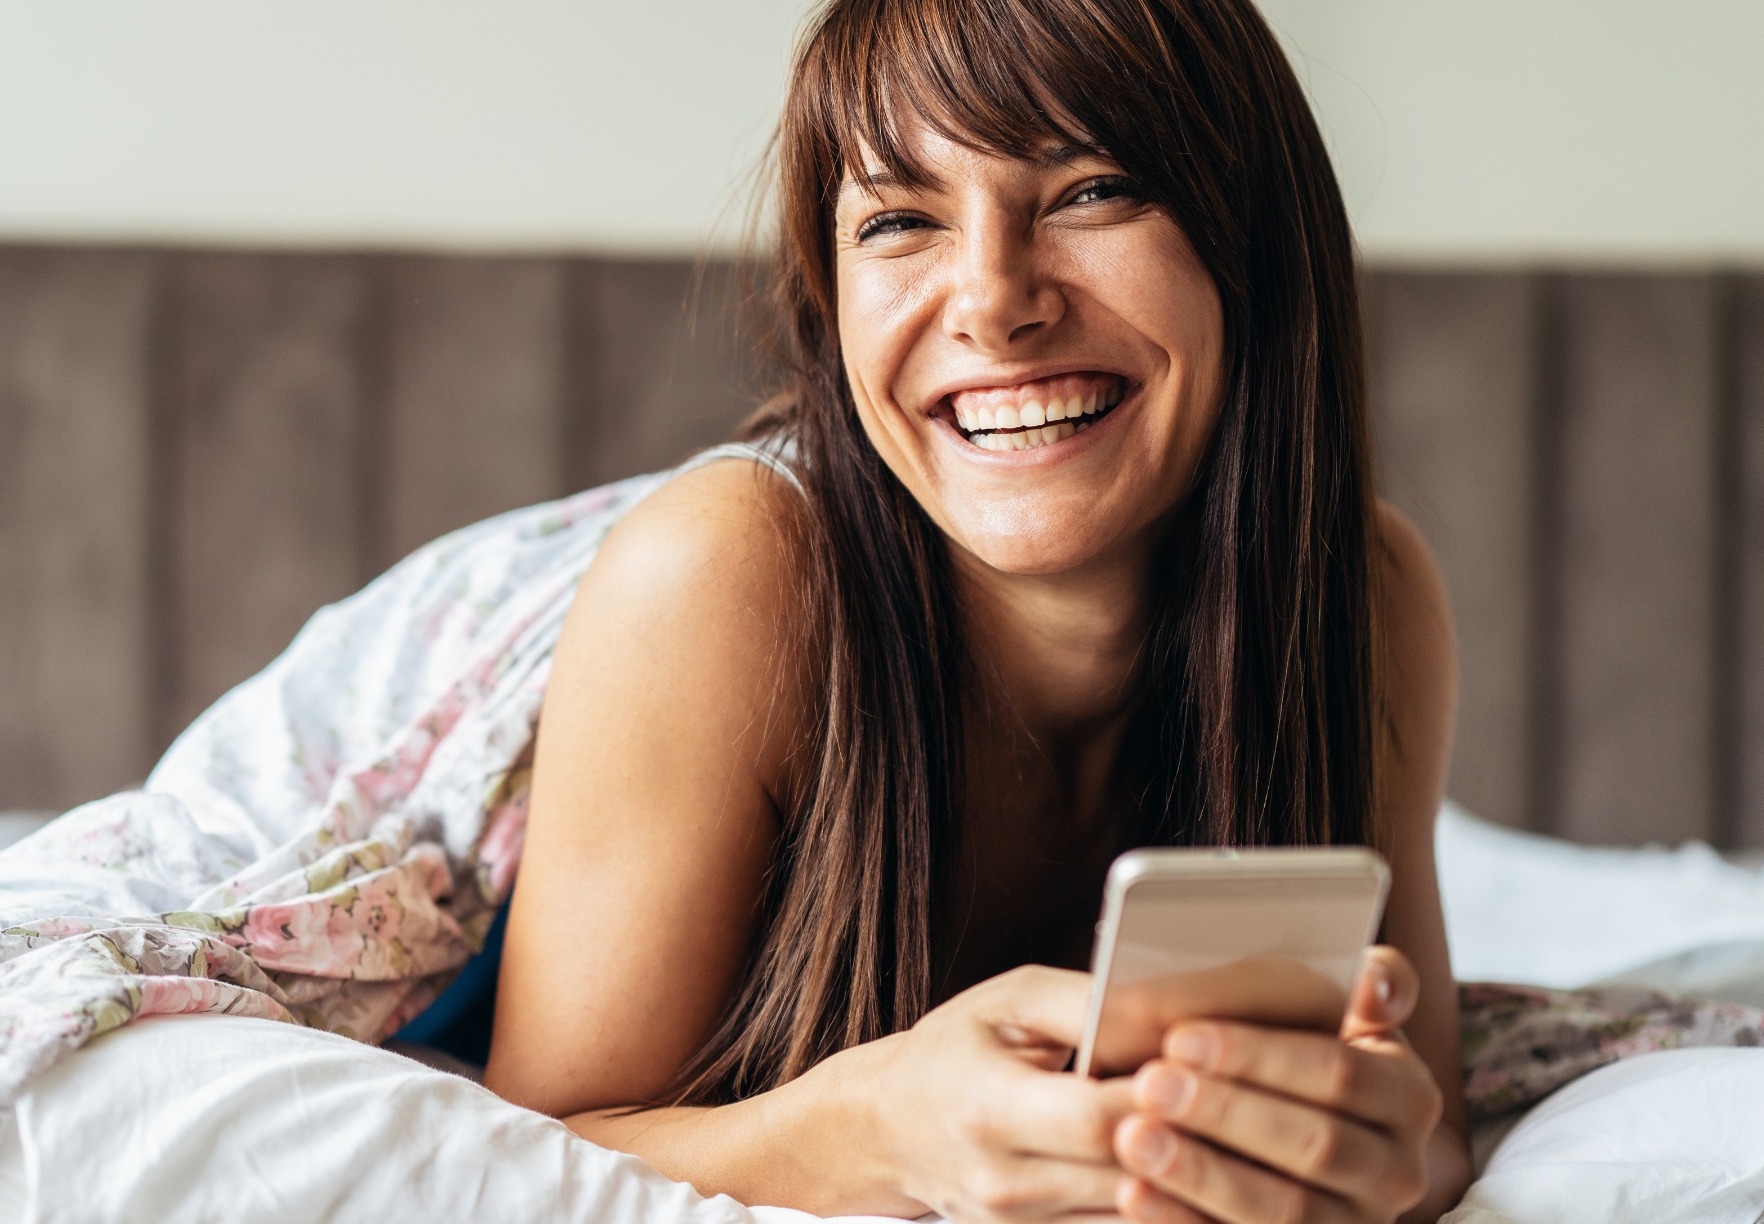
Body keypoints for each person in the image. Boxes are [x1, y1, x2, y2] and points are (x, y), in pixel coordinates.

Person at [477, 0, 1471, 1220]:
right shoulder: (721, 575)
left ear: (1252, 242)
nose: (993, 303)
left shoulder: (1362, 594)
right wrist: (878, 1133)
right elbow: (518, 1157)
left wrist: (1348, 1156)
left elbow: (1426, 1132)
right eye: (899, 221)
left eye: (1093, 191)